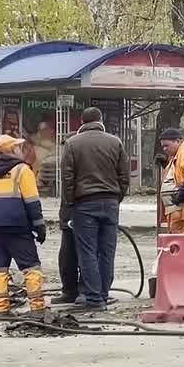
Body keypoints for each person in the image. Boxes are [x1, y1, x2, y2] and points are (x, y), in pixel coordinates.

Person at [59, 107, 129, 311]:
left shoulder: (72, 143)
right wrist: (117, 198)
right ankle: (104, 295)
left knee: (87, 252)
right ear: (100, 120)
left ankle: (94, 299)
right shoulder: (115, 142)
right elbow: (124, 176)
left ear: (82, 121)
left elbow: (67, 177)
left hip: (85, 203)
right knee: (107, 252)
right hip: (110, 203)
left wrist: (71, 202)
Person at [0, 135, 47, 316]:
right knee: (31, 266)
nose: (20, 149)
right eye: (17, 146)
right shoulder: (22, 170)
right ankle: (38, 308)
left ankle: (1, 309)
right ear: (10, 150)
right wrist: (39, 227)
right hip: (17, 227)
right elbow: (32, 202)